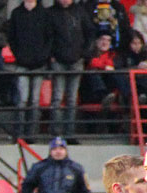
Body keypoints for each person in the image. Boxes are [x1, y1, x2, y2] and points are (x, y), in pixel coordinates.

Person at [48, 0, 93, 138]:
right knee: (57, 97)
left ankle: (69, 133)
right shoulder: (50, 13)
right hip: (58, 61)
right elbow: (46, 36)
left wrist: (84, 54)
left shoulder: (80, 12)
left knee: (72, 98)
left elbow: (90, 33)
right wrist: (50, 55)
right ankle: (56, 133)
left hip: (76, 61)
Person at [7, 0, 50, 140]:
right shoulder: (16, 13)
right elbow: (11, 37)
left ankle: (31, 135)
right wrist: (18, 55)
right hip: (22, 63)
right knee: (22, 100)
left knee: (35, 101)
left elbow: (49, 38)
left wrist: (43, 56)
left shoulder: (44, 14)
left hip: (39, 64)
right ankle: (18, 134)